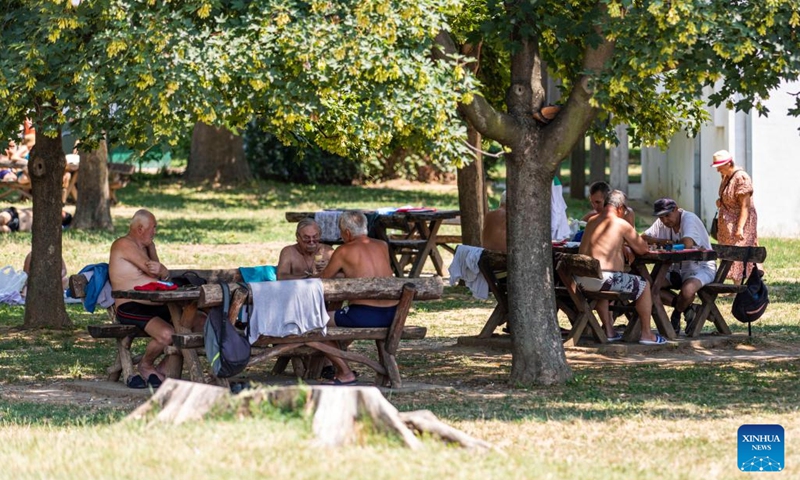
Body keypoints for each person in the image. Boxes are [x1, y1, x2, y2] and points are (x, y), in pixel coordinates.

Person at [108, 209, 202, 387]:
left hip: (154, 304)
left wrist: (154, 253)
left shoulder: (144, 246)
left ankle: (162, 369)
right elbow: (153, 269)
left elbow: (159, 275)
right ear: (140, 229)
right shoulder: (123, 244)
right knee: (168, 334)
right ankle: (146, 365)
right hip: (131, 305)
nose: (155, 232)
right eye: (153, 228)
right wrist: (161, 267)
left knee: (199, 322)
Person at [577, 190, 665, 345]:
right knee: (644, 286)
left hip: (581, 281)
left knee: (605, 288)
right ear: (620, 208)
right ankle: (646, 334)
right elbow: (643, 249)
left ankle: (609, 330)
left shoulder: (591, 221)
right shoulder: (621, 223)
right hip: (604, 279)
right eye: (624, 210)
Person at [319, 211, 398, 384]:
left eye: (341, 232)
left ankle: (344, 372)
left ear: (347, 233)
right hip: (392, 315)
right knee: (332, 315)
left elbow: (322, 280)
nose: (340, 236)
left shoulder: (343, 250)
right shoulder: (382, 245)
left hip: (364, 315)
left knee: (313, 322)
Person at [641, 198, 717, 334]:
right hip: (675, 269)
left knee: (687, 291)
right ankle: (688, 308)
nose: (664, 221)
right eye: (661, 217)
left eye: (667, 216)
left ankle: (677, 313)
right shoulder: (662, 222)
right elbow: (644, 237)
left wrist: (660, 242)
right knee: (649, 286)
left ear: (676, 209)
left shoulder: (689, 219)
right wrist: (664, 241)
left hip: (700, 267)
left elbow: (686, 243)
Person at [712, 150, 760, 282]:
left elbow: (745, 206)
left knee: (738, 252)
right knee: (729, 254)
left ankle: (740, 286)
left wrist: (740, 228)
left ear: (728, 163)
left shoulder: (741, 178)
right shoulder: (725, 177)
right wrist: (720, 202)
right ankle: (735, 285)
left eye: (719, 167)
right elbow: (727, 196)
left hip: (741, 222)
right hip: (728, 224)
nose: (717, 170)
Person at [0, 207, 72, 233]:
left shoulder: (50, 226)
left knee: (4, 229)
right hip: (15, 214)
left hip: (16, 227)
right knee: (3, 218)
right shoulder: (45, 209)